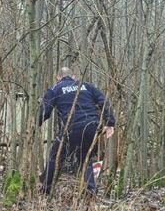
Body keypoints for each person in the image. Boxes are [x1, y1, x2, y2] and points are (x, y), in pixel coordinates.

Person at [38, 67, 115, 195]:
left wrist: (35, 125)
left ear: (58, 78)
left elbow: (44, 112)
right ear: (74, 76)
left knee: (55, 158)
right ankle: (90, 190)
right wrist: (110, 123)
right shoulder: (87, 86)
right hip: (92, 126)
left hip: (71, 127)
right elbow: (104, 102)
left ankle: (46, 189)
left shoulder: (55, 89)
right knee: (86, 158)